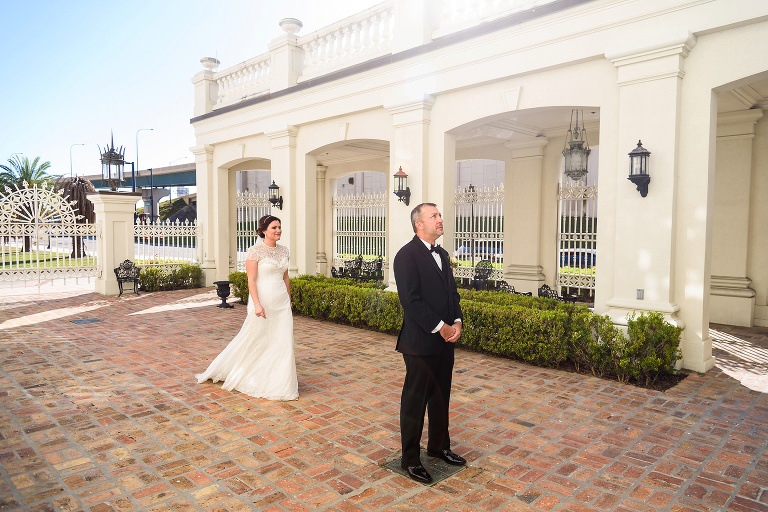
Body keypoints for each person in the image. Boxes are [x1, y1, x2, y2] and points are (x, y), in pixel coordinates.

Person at [392, 202, 466, 484]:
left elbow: (452, 295)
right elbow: (411, 301)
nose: (440, 219)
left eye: (440, 215)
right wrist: (441, 327)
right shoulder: (406, 256)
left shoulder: (443, 254)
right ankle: (409, 459)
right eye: (434, 216)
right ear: (418, 224)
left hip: (446, 342)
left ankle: (438, 446)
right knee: (415, 402)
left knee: (441, 396)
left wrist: (457, 321)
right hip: (420, 343)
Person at [196, 214, 298, 401]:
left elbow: (285, 278)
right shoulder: (255, 251)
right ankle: (235, 370)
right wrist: (257, 304)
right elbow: (251, 280)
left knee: (282, 341)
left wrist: (289, 300)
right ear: (264, 231)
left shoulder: (284, 251)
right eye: (274, 227)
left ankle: (281, 382)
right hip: (262, 302)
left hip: (281, 302)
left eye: (279, 227)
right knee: (255, 339)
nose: (278, 230)